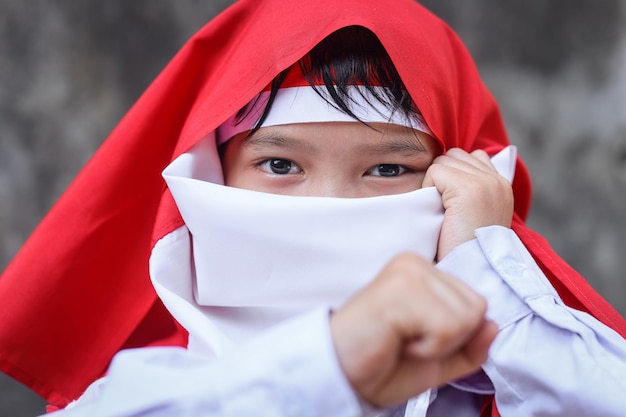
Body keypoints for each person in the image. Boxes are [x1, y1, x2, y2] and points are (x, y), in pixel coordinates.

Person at [0, 0, 625, 416]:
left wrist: (488, 275)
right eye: (280, 165)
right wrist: (329, 363)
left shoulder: (501, 379)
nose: (329, 207)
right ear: (210, 175)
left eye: (387, 169)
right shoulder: (143, 392)